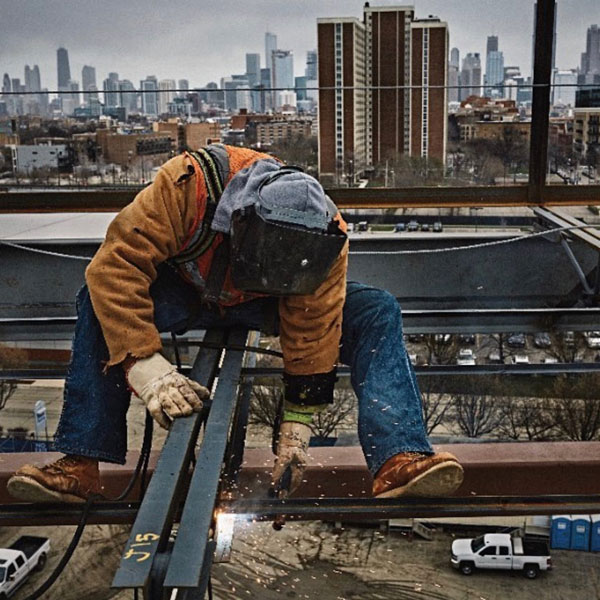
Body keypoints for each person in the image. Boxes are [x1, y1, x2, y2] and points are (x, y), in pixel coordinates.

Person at [7, 144, 463, 504]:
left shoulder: (328, 236)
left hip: (262, 304)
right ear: (239, 225)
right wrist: (146, 366)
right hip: (186, 291)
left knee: (376, 309)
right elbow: (115, 269)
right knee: (98, 300)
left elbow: (313, 321)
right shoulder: (185, 186)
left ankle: (399, 456)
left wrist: (297, 424)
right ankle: (79, 464)